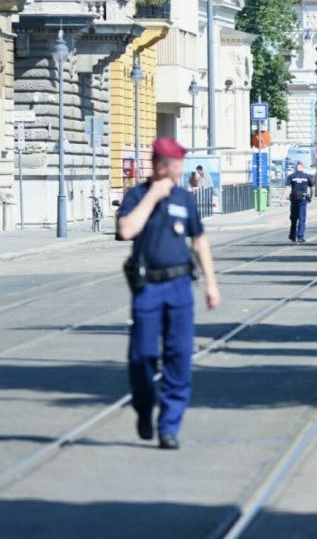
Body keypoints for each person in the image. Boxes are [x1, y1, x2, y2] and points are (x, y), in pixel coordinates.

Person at [117, 137, 220, 449]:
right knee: (142, 357)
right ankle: (144, 408)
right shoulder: (136, 195)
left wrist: (211, 284)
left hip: (179, 287)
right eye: (176, 166)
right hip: (147, 287)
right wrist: (152, 197)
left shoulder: (185, 199)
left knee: (178, 356)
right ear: (161, 166)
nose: (180, 171)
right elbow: (126, 230)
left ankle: (169, 426)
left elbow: (199, 241)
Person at [283, 161, 313, 243]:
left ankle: (292, 235)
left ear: (296, 168)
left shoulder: (291, 176)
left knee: (293, 218)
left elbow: (287, 187)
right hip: (303, 199)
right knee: (302, 218)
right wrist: (310, 197)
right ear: (302, 167)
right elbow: (311, 188)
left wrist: (282, 199)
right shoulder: (307, 176)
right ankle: (300, 236)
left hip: (294, 199)